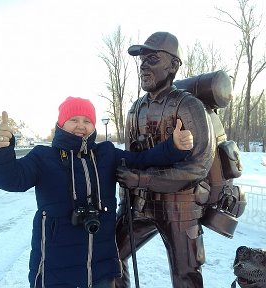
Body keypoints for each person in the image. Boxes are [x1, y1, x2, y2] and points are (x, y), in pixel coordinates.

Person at [0, 96, 194, 288]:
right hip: (54, 271)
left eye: (87, 121)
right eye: (74, 119)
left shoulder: (106, 154)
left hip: (101, 269)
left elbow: (143, 160)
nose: (81, 126)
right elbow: (10, 179)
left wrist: (174, 146)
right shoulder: (43, 157)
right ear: (61, 123)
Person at [115, 32, 215, 288]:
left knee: (186, 277)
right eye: (142, 61)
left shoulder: (189, 106)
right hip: (140, 205)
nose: (144, 66)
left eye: (152, 59)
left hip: (180, 207)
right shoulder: (135, 109)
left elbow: (198, 166)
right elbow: (132, 158)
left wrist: (143, 179)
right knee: (109, 254)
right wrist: (125, 194)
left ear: (173, 65)